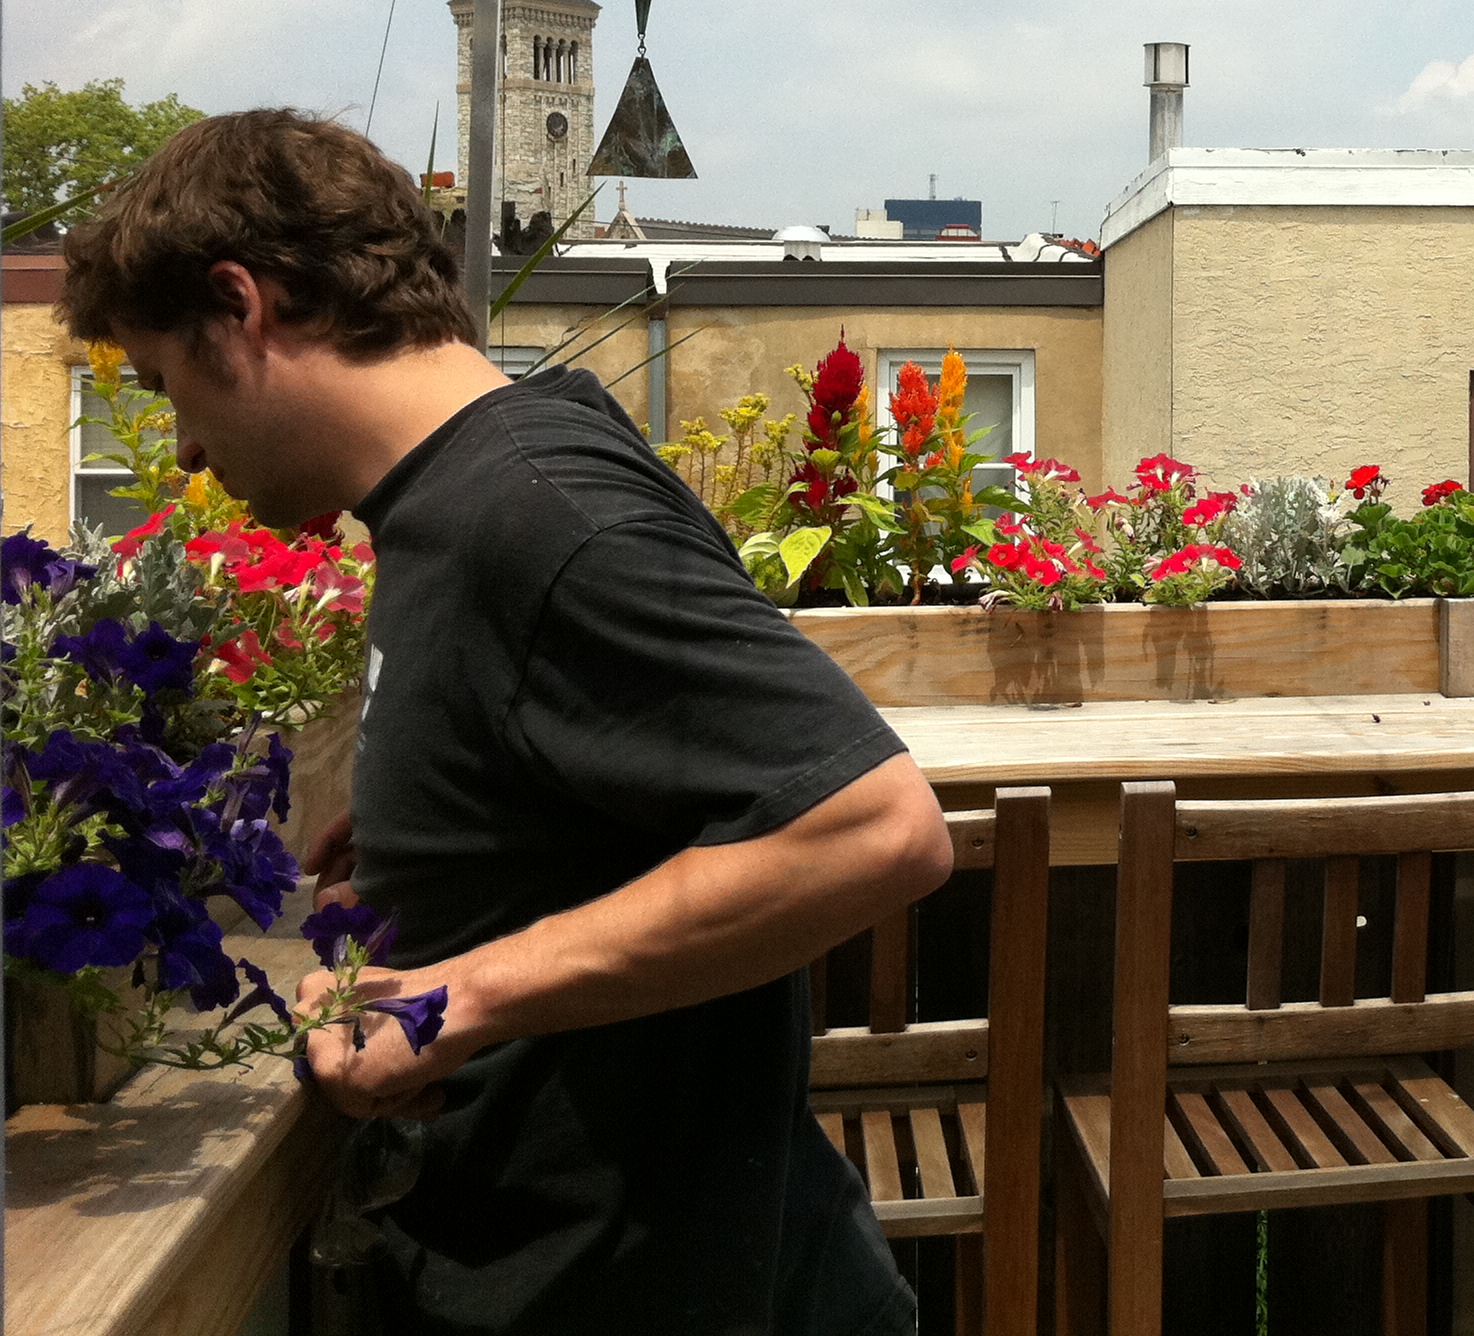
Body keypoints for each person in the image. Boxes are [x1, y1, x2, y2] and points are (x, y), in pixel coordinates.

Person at [61, 110, 950, 1334]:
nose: (187, 449)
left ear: (241, 303)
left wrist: (463, 993)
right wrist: (443, 813)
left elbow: (878, 829)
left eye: (170, 386)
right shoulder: (472, 485)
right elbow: (599, 766)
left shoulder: (536, 514)